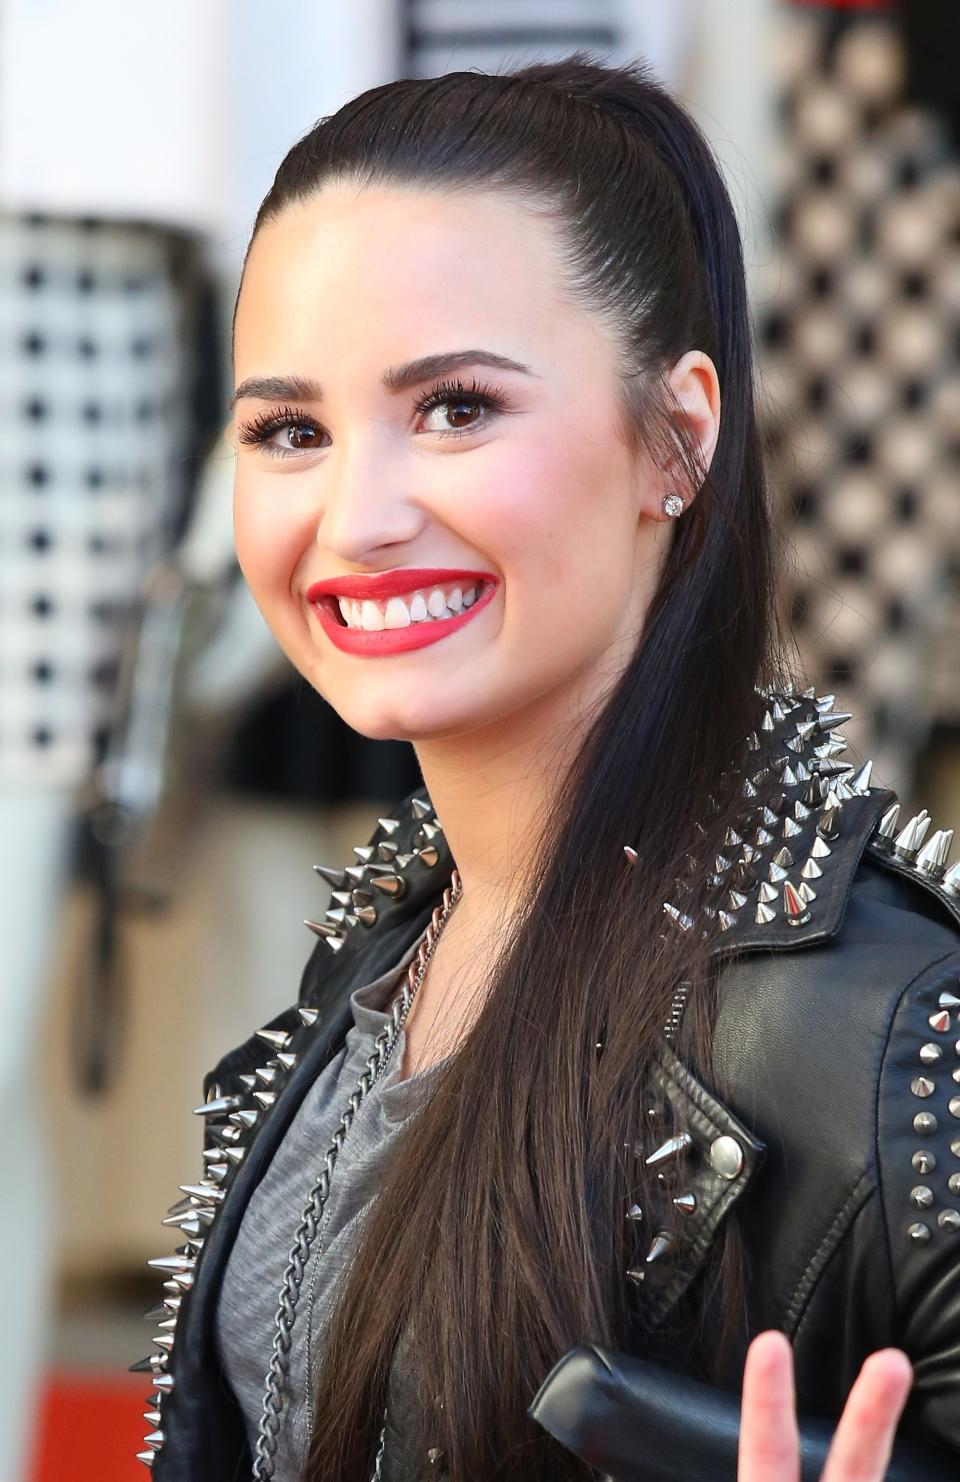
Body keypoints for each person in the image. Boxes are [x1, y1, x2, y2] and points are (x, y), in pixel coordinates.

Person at [129, 53, 960, 1481]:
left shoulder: (891, 1039)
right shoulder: (383, 958)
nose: (358, 513)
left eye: (455, 407)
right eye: (289, 431)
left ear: (679, 438)